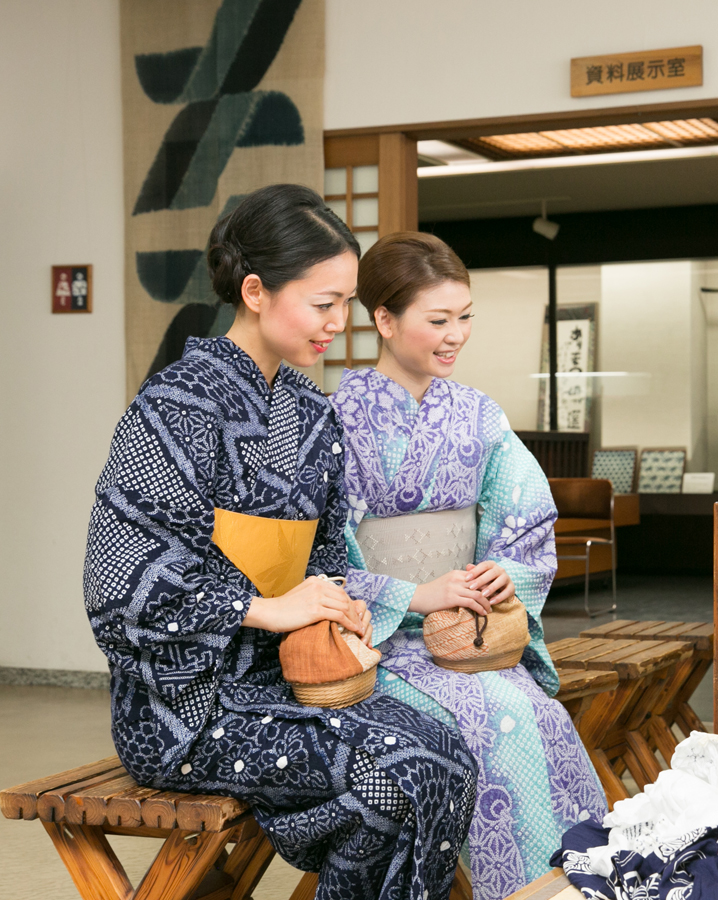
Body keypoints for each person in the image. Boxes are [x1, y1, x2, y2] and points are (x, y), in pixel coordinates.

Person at [85, 185, 475, 900]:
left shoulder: (310, 414)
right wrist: (268, 609)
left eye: (345, 304)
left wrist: (334, 607)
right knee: (396, 769)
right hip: (185, 709)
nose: (338, 323)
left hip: (288, 682)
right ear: (256, 290)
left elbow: (323, 564)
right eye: (322, 303)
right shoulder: (172, 408)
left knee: (447, 754)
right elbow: (122, 586)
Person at [330, 232, 607, 900]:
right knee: (502, 716)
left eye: (465, 317)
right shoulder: (334, 420)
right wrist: (414, 593)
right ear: (386, 320)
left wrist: (504, 573)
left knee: (542, 714)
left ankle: (585, 881)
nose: (456, 335)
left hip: (462, 640)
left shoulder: (479, 416)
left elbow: (526, 515)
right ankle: (531, 892)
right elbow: (317, 553)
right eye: (438, 320)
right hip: (376, 646)